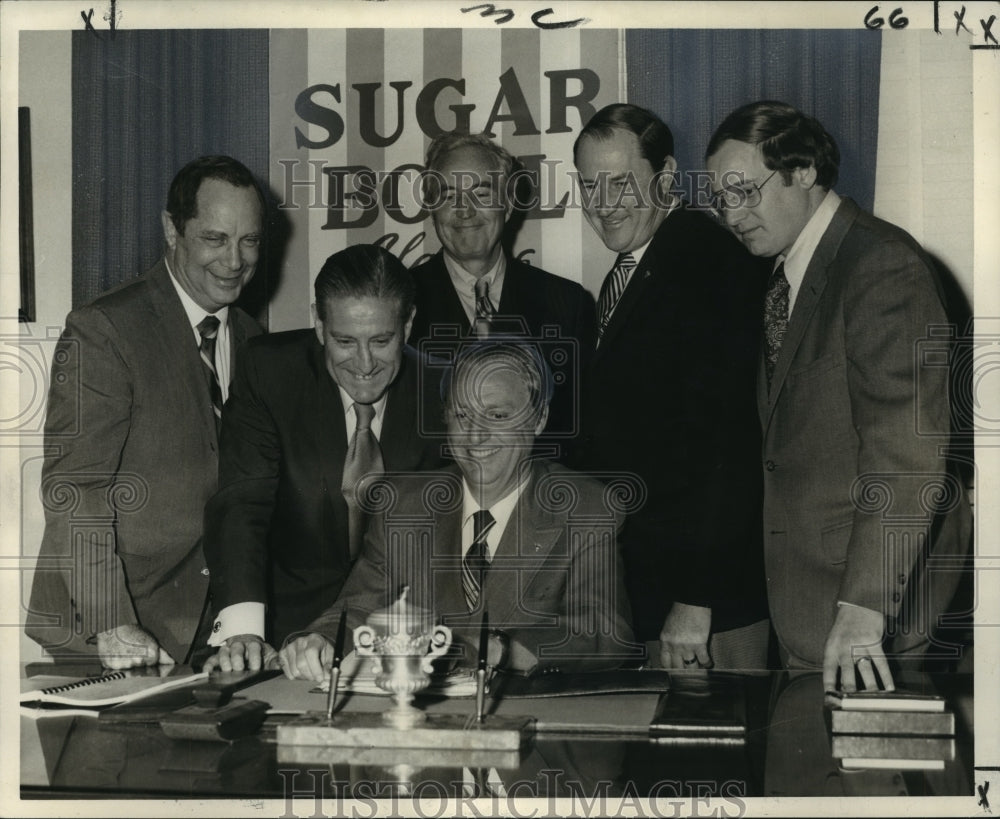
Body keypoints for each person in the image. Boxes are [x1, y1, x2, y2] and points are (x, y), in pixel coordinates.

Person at [705, 100, 972, 692]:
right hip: (816, 598)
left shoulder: (879, 265)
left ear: (803, 171)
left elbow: (906, 453)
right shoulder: (786, 273)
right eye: (721, 198)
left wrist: (865, 606)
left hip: (870, 611)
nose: (732, 213)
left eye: (744, 190)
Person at [25, 155, 265, 668]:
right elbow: (75, 489)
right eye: (216, 239)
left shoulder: (255, 342)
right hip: (104, 636)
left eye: (250, 240)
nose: (235, 260)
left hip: (207, 635)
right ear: (171, 230)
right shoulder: (105, 330)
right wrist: (111, 619)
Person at [278, 340, 637, 681]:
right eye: (462, 415)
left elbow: (604, 632)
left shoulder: (587, 507)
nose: (476, 436)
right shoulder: (403, 505)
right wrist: (322, 640)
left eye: (497, 415)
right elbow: (357, 609)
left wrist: (502, 651)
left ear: (538, 419)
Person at [572, 103, 770, 670]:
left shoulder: (709, 264)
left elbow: (730, 444)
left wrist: (696, 597)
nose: (603, 205)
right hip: (650, 598)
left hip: (702, 612)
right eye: (590, 187)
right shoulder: (644, 264)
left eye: (619, 184)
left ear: (664, 177)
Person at [202, 244, 446, 673]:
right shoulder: (269, 372)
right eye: (345, 341)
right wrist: (243, 629)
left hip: (400, 643)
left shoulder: (443, 391)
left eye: (383, 340)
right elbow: (243, 504)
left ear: (408, 323)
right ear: (318, 323)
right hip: (283, 641)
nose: (365, 364)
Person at [408, 132, 597, 455]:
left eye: (481, 194)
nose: (464, 211)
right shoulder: (399, 302)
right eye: (449, 196)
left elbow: (578, 438)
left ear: (508, 205)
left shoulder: (568, 304)